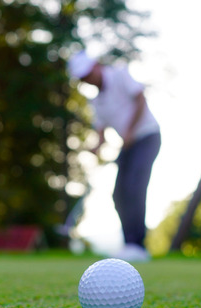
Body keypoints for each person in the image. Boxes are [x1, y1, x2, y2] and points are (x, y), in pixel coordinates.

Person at [67, 51, 161, 262]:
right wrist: (96, 147)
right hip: (128, 144)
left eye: (88, 74)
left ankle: (138, 245)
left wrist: (129, 130)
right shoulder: (96, 101)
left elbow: (140, 98)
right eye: (82, 78)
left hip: (147, 137)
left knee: (134, 186)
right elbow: (101, 130)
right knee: (118, 194)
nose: (87, 80)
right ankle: (130, 244)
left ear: (96, 66)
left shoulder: (119, 75)